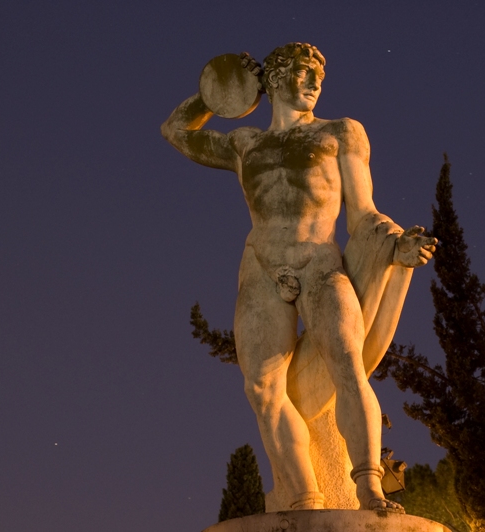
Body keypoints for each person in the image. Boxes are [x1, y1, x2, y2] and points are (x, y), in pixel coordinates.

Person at [161, 42, 436, 512]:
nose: (314, 83)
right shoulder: (245, 143)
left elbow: (363, 213)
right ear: (273, 80)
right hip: (262, 267)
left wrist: (396, 244)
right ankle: (303, 492)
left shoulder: (340, 133)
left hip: (318, 263)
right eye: (304, 73)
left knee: (348, 368)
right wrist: (218, 94)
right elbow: (176, 131)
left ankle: (368, 487)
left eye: (318, 77)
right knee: (262, 389)